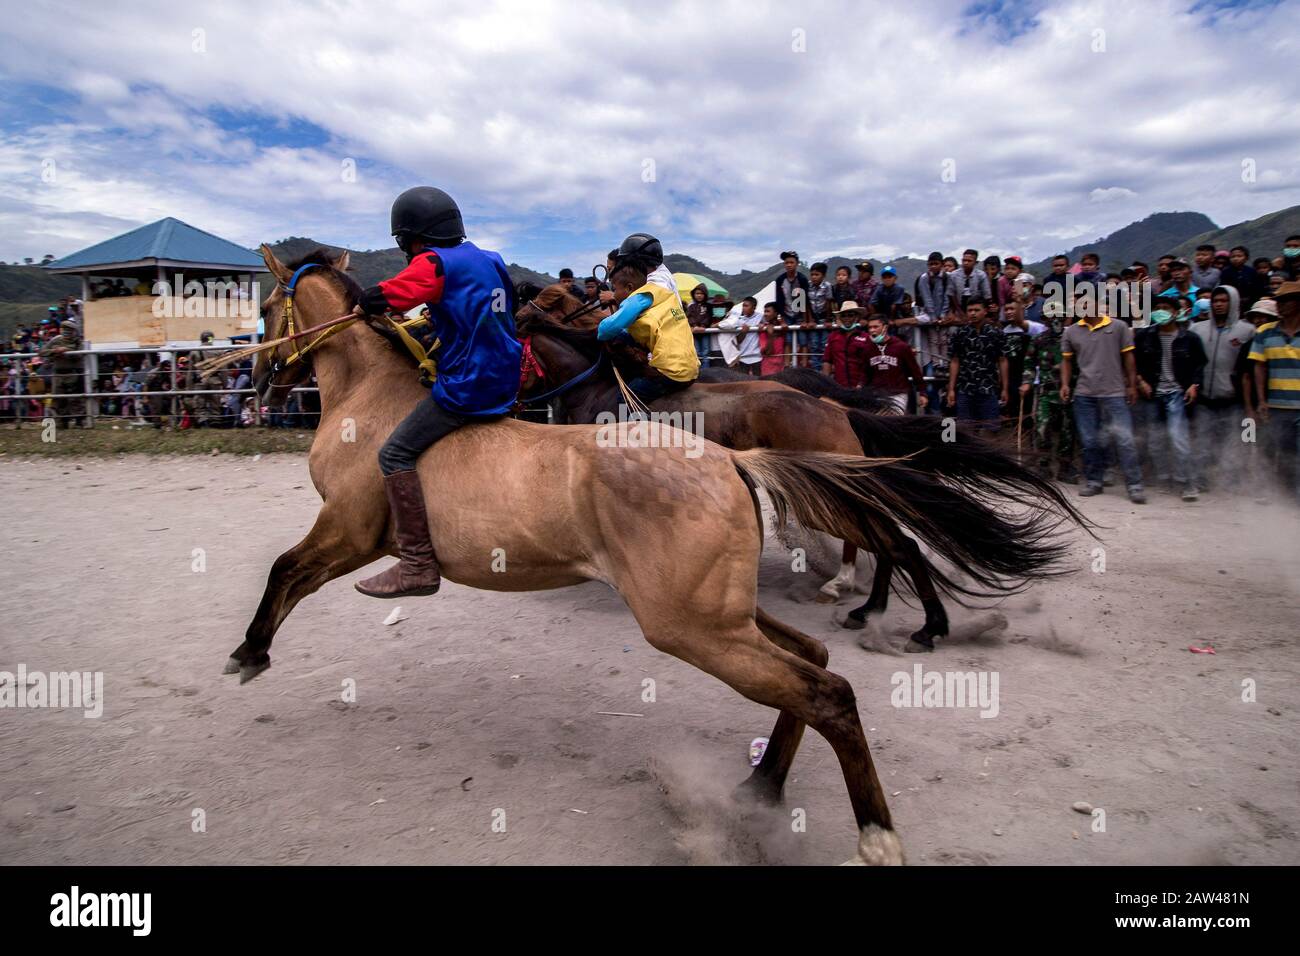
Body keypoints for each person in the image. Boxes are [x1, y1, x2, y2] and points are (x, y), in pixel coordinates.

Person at [347, 185, 522, 599]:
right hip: (506, 378)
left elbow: (389, 294)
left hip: (470, 386)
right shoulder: (490, 259)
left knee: (393, 453)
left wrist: (365, 301)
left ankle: (417, 564)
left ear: (412, 237)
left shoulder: (434, 263)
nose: (408, 250)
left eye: (405, 243)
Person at [1059, 290, 1145, 502]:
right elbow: (1067, 361)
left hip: (1114, 393)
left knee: (1124, 440)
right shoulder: (1071, 332)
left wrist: (1132, 385)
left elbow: (1129, 358)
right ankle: (1094, 481)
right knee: (1089, 441)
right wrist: (1064, 384)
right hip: (1084, 394)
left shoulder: (1118, 327)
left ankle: (1135, 485)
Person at [598, 256, 700, 401]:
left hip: (672, 373)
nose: (613, 294)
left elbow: (605, 330)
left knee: (626, 397)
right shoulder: (662, 294)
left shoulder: (639, 298)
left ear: (629, 288)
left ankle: (638, 424)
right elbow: (635, 337)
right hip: (691, 369)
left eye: (615, 289)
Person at [1134, 304, 1206, 500]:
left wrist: (1194, 385)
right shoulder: (1144, 336)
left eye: (1166, 308)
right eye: (1157, 308)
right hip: (1152, 394)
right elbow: (1133, 362)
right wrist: (1140, 381)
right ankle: (1164, 478)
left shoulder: (1189, 338)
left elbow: (1200, 364)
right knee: (1155, 440)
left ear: (1176, 313)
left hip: (1177, 393)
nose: (1160, 311)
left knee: (1178, 438)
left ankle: (1187, 482)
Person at [1189, 285, 1253, 492]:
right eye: (1215, 301)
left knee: (1235, 441)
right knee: (1202, 440)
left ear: (1233, 302)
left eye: (1223, 301)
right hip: (1204, 397)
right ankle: (1199, 480)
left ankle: (1232, 482)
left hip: (1233, 398)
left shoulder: (1247, 330)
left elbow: (1249, 368)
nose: (1218, 304)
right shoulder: (1196, 329)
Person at [1248, 281, 1300, 503]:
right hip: (1278, 404)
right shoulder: (1265, 333)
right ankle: (1283, 493)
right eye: (1278, 301)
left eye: (1285, 301)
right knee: (1283, 450)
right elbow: (1259, 367)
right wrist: (1261, 400)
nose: (1279, 305)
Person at [1020, 301, 1078, 483]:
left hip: (1069, 393)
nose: (1055, 319)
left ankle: (1065, 468)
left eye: (1059, 315)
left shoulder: (1073, 338)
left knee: (1067, 432)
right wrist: (1027, 382)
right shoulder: (1039, 340)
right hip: (1045, 392)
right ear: (1045, 319)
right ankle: (1043, 467)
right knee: (1042, 429)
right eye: (1051, 316)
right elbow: (1029, 363)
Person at [946, 298, 1007, 432]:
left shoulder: (996, 333)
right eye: (970, 310)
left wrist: (1004, 388)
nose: (973, 313)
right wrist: (951, 389)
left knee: (992, 429)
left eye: (977, 310)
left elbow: (1002, 360)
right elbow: (955, 361)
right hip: (965, 388)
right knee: (965, 430)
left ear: (985, 311)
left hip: (989, 388)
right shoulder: (959, 334)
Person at [854, 315, 927, 414]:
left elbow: (915, 372)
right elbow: (865, 372)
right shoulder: (868, 349)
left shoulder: (901, 347)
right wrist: (860, 385)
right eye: (870, 327)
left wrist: (922, 393)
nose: (872, 330)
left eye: (876, 327)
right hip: (877, 394)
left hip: (897, 394)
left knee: (894, 422)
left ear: (885, 327)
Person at [38, 317, 84, 427]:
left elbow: (80, 355)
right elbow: (42, 352)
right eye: (64, 329)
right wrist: (54, 351)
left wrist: (67, 351)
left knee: (75, 398)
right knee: (59, 398)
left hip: (72, 373)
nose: (66, 332)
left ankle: (79, 421)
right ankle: (62, 421)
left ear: (74, 331)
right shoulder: (56, 340)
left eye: (69, 330)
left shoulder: (78, 342)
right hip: (58, 373)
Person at [774, 251, 811, 366]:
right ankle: (787, 365)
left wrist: (805, 320)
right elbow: (779, 300)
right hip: (786, 313)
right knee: (788, 340)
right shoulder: (780, 280)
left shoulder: (802, 279)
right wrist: (782, 320)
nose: (789, 265)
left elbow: (805, 300)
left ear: (797, 264)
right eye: (786, 262)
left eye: (791, 262)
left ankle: (804, 364)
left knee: (803, 340)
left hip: (800, 313)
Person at [822, 299, 865, 387]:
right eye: (844, 316)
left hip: (860, 386)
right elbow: (827, 361)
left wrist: (861, 383)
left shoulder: (865, 338)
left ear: (857, 317)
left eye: (850, 315)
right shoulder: (833, 337)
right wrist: (825, 383)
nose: (847, 318)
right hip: (839, 386)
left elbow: (867, 364)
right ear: (840, 318)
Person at [716, 296, 762, 375]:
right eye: (743, 305)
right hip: (743, 357)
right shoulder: (739, 320)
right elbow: (738, 341)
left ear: (754, 307)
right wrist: (743, 332)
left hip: (757, 357)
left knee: (758, 381)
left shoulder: (761, 317)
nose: (743, 308)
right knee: (744, 382)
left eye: (746, 306)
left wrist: (763, 325)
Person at [807, 262, 833, 369]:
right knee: (814, 344)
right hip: (813, 318)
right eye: (812, 274)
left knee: (824, 344)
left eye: (816, 274)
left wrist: (828, 319)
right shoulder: (808, 286)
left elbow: (829, 303)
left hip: (823, 317)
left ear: (823, 275)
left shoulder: (827, 286)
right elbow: (806, 304)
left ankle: (824, 370)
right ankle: (815, 370)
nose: (814, 277)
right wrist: (810, 319)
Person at [685, 282, 713, 366]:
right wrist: (694, 326)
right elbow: (689, 317)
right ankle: (698, 372)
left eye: (701, 293)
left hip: (705, 332)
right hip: (694, 332)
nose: (699, 295)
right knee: (696, 353)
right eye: (697, 293)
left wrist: (703, 326)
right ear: (694, 295)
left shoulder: (708, 306)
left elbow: (709, 317)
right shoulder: (691, 306)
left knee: (706, 352)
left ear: (705, 295)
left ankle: (706, 372)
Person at [759, 301, 787, 376]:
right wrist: (770, 335)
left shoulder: (782, 327)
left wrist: (783, 325)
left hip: (782, 368)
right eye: (764, 311)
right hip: (768, 368)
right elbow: (768, 352)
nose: (765, 314)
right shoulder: (764, 329)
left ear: (776, 313)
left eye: (768, 311)